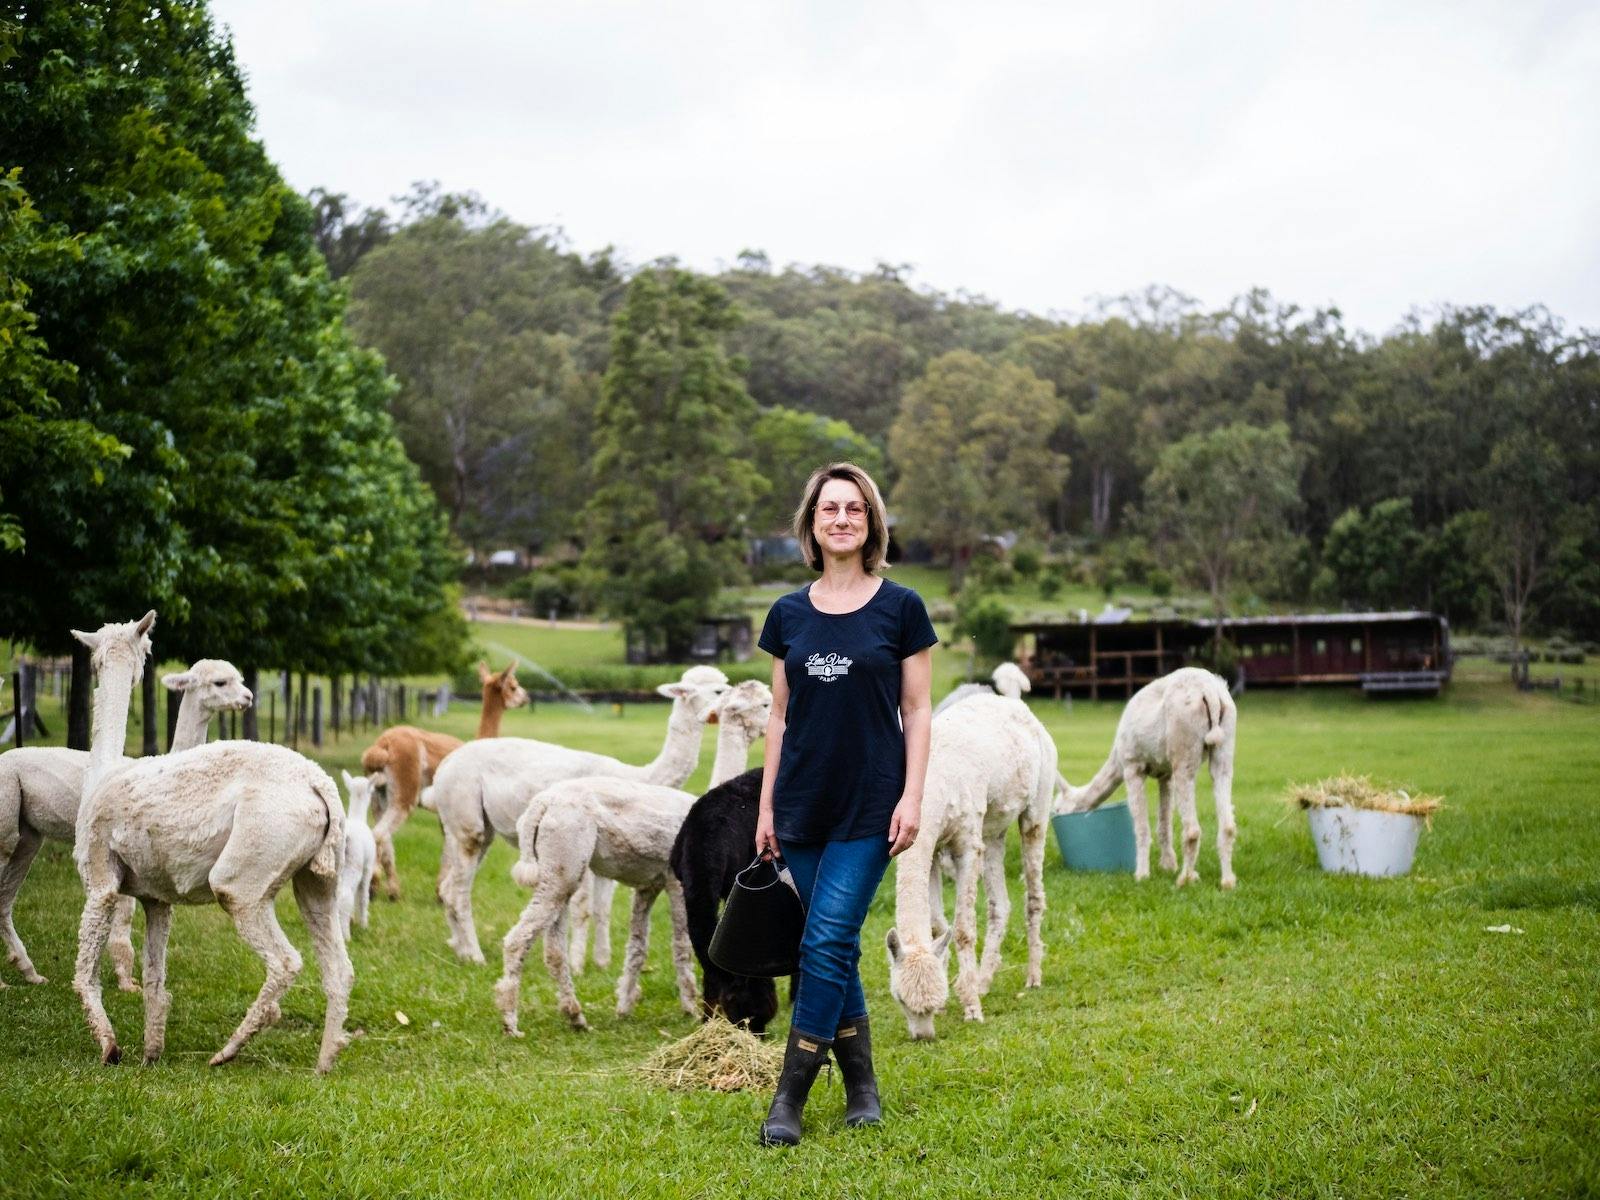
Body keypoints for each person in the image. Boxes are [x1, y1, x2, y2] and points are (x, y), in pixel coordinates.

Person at [754, 461, 936, 1146]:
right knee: (831, 945)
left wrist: (912, 795)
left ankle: (788, 1097)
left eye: (854, 509)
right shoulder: (788, 614)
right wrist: (767, 808)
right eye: (829, 509)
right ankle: (862, 1085)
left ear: (871, 523)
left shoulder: (901, 607)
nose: (841, 519)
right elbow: (778, 716)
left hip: (870, 804)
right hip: (801, 803)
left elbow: (917, 711)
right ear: (811, 523)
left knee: (825, 939)